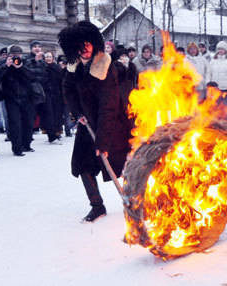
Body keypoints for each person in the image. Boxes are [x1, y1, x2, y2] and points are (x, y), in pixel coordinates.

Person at [58, 20, 132, 222]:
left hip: (113, 125)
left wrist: (103, 142)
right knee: (83, 165)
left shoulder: (107, 67)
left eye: (88, 44)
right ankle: (97, 206)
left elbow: (109, 107)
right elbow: (68, 90)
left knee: (125, 167)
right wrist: (77, 112)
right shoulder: (74, 67)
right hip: (87, 125)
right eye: (80, 46)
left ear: (94, 42)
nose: (85, 49)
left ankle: (139, 201)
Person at [0, 45, 35, 156]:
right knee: (15, 123)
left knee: (28, 122)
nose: (16, 56)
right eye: (13, 54)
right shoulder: (4, 63)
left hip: (27, 97)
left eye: (18, 54)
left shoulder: (26, 62)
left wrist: (21, 67)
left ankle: (26, 145)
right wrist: (6, 66)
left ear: (21, 54)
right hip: (11, 98)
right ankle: (17, 148)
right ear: (9, 54)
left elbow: (33, 76)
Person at [26, 41, 59, 144]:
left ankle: (52, 137)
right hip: (32, 92)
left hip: (44, 91)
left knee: (48, 114)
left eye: (39, 47)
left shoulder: (43, 61)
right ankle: (27, 139)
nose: (37, 48)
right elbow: (26, 70)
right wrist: (34, 60)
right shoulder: (27, 59)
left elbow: (48, 74)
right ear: (31, 48)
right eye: (35, 47)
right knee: (30, 115)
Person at [207, 41, 227, 126]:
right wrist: (209, 84)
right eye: (219, 49)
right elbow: (209, 73)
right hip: (214, 89)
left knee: (225, 109)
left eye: (222, 49)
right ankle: (216, 124)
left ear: (226, 50)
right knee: (215, 108)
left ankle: (226, 125)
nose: (220, 51)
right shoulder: (213, 61)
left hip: (225, 88)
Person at [44, 51, 66, 138]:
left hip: (57, 94)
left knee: (57, 114)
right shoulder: (42, 67)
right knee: (49, 115)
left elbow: (62, 80)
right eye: (46, 57)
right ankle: (51, 134)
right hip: (47, 94)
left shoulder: (57, 68)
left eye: (50, 57)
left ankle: (57, 132)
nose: (48, 58)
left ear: (53, 58)